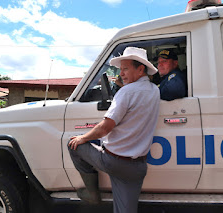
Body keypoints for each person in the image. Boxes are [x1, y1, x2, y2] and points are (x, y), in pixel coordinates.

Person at [68, 47, 160, 213]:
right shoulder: (155, 90)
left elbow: (105, 127)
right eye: (120, 69)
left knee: (73, 144)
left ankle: (91, 193)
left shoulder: (126, 92)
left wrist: (83, 138)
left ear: (140, 69)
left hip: (114, 162)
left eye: (125, 69)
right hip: (137, 167)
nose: (121, 74)